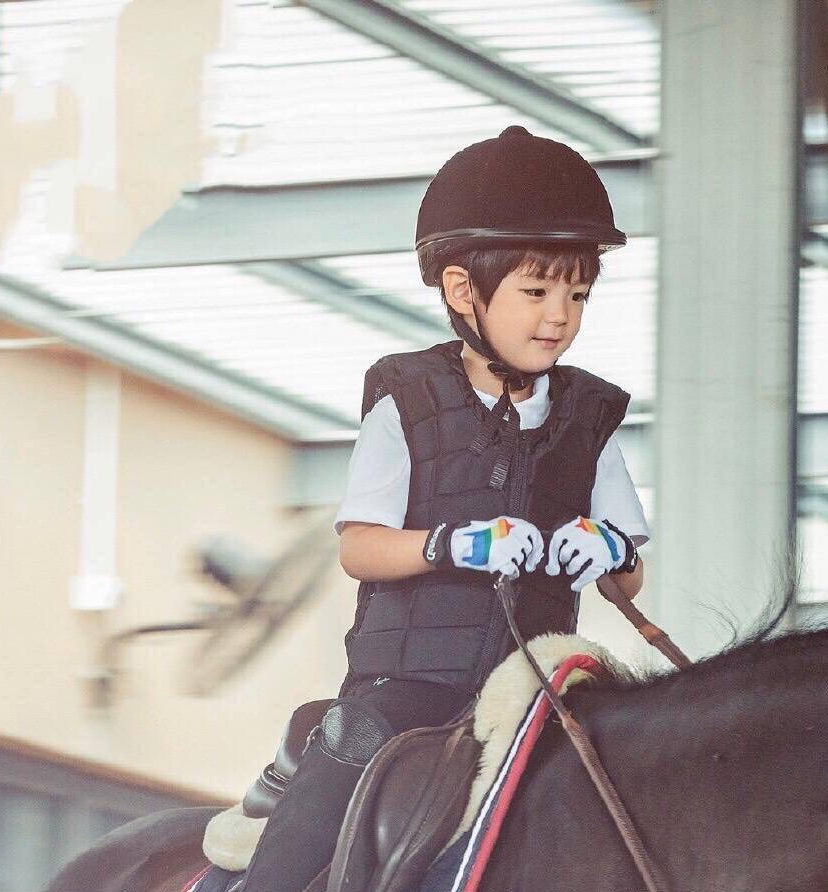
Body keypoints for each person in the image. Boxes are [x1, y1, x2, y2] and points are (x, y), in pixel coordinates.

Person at [235, 125, 649, 892]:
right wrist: (452, 546)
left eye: (577, 294)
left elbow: (628, 582)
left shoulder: (590, 418)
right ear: (464, 292)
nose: (559, 316)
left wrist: (613, 552)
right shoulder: (407, 401)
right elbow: (359, 547)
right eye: (535, 292)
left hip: (533, 685)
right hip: (410, 687)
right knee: (353, 741)